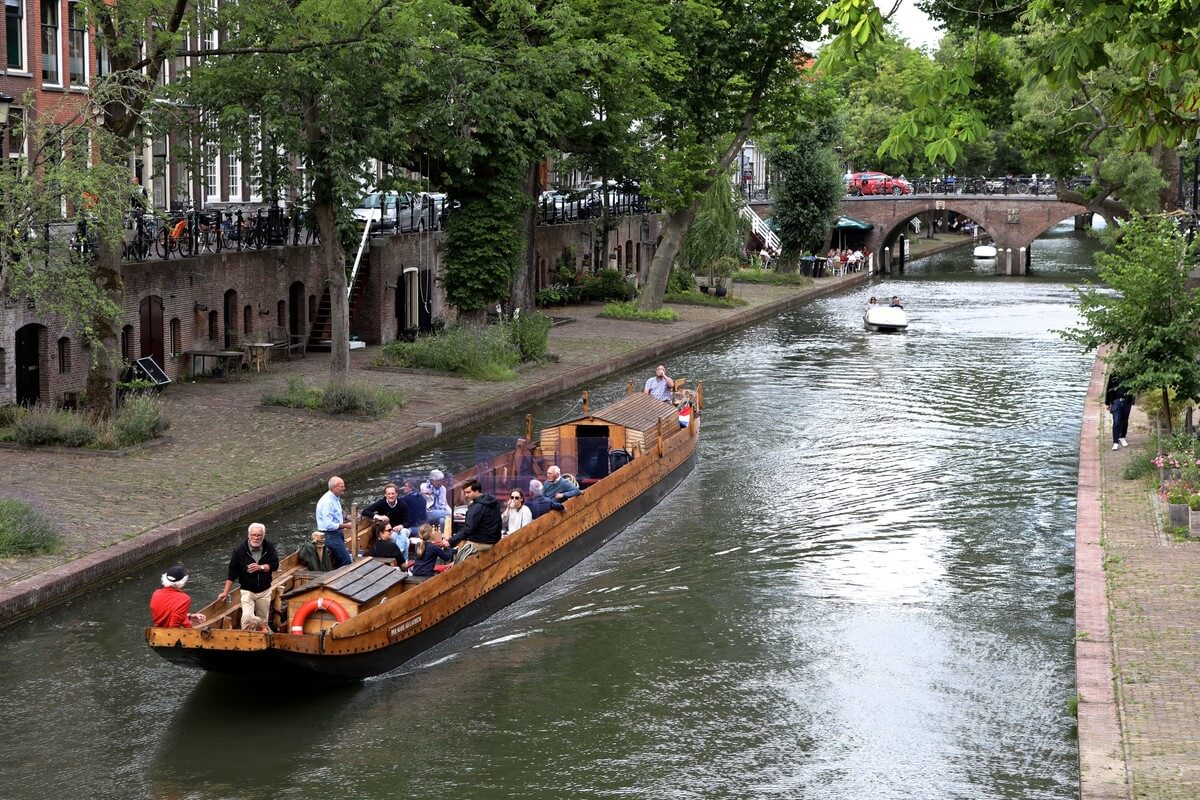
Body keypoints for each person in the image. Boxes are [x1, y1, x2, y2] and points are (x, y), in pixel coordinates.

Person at [216, 523, 280, 628]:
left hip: (264, 591)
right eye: (253, 535)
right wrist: (225, 592)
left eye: (259, 535)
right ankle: (246, 638)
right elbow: (232, 573)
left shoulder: (269, 547)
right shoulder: (239, 551)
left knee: (263, 619)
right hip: (247, 590)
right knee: (247, 617)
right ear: (248, 535)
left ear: (263, 536)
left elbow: (275, 565)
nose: (256, 538)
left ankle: (261, 637)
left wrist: (261, 567)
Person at [449, 479, 502, 563]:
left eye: (468, 492)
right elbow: (499, 523)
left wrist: (450, 542)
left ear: (477, 490)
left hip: (480, 543)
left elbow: (468, 529)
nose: (466, 495)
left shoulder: (477, 507)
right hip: (493, 541)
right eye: (465, 492)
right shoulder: (494, 503)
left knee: (459, 555)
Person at [315, 475, 354, 567]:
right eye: (342, 487)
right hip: (330, 536)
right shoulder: (327, 502)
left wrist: (346, 517)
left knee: (340, 559)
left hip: (336, 534)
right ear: (334, 487)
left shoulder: (335, 498)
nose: (344, 488)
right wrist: (346, 526)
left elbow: (334, 515)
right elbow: (328, 525)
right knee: (346, 561)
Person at [1105, 371, 1135, 450]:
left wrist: (1132, 400)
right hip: (1116, 401)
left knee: (1124, 421)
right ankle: (1115, 442)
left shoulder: (1131, 374)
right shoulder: (1114, 375)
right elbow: (1109, 388)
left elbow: (1134, 388)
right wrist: (1108, 403)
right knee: (1117, 421)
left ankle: (1122, 437)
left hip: (1127, 401)